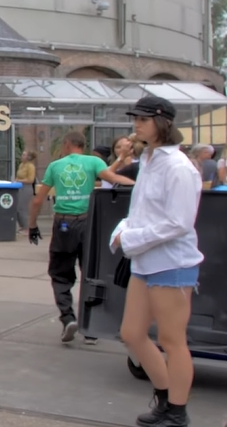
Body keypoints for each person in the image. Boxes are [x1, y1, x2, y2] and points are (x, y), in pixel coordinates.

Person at [111, 96, 202, 427]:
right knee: (132, 333)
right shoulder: (148, 160)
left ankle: (177, 411)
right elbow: (141, 212)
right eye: (136, 117)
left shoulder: (178, 167)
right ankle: (165, 400)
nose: (136, 123)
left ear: (162, 122)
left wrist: (130, 238)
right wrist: (122, 232)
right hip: (145, 260)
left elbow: (178, 222)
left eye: (143, 118)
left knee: (172, 339)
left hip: (172, 262)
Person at [27, 131, 134, 343]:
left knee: (60, 274)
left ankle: (68, 318)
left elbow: (38, 201)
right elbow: (113, 179)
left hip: (64, 223)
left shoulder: (56, 166)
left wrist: (32, 225)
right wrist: (138, 185)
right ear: (82, 146)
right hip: (88, 223)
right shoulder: (93, 162)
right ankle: (91, 327)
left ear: (66, 144)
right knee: (90, 272)